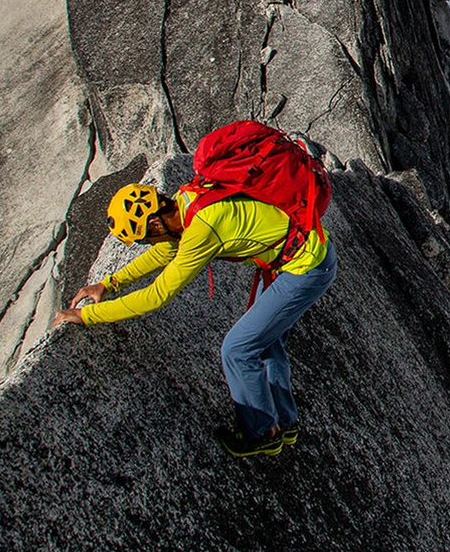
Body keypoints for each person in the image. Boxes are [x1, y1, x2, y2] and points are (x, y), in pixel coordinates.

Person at [53, 182, 337, 458]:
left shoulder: (202, 230)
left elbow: (156, 295)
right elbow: (165, 251)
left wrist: (86, 315)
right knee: (265, 343)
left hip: (305, 269)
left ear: (154, 225)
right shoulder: (186, 200)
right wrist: (110, 283)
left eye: (143, 238)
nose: (147, 244)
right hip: (301, 254)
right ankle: (286, 424)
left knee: (237, 350)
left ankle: (262, 433)